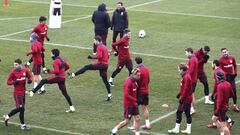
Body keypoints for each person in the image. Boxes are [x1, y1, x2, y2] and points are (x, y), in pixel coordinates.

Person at [69, 36, 112, 101]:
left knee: (87, 67)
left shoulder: (99, 47)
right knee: (105, 80)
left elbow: (100, 56)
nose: (94, 42)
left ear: (97, 41)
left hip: (101, 64)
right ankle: (109, 95)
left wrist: (91, 57)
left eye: (94, 41)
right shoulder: (104, 46)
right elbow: (108, 56)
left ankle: (73, 74)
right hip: (105, 65)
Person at [3, 59, 32, 130]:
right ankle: (7, 115)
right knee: (20, 108)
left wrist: (30, 80)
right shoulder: (13, 73)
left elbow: (29, 77)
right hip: (17, 93)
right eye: (14, 65)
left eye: (16, 65)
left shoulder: (25, 70)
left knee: (22, 109)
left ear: (20, 64)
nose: (14, 66)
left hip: (23, 92)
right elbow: (8, 82)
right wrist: (13, 82)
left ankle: (23, 125)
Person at [110, 68, 141, 135]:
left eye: (139, 75)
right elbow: (126, 95)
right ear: (133, 75)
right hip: (128, 104)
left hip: (134, 104)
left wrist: (138, 99)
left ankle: (137, 134)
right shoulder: (128, 82)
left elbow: (136, 92)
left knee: (138, 118)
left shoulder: (135, 81)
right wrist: (136, 100)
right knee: (127, 121)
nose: (139, 77)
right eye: (138, 75)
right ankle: (114, 130)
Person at [207, 60, 234, 129]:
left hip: (219, 93)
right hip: (223, 91)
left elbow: (216, 84)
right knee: (218, 110)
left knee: (218, 110)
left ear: (214, 64)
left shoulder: (216, 72)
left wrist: (213, 94)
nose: (211, 65)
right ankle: (216, 124)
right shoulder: (221, 71)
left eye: (212, 64)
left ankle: (228, 121)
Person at [168, 64, 192, 134]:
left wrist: (182, 98)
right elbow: (184, 88)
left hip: (186, 99)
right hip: (187, 98)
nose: (178, 71)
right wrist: (179, 94)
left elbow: (186, 89)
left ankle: (177, 129)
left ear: (182, 70)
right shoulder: (185, 76)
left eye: (179, 69)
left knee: (179, 112)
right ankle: (188, 129)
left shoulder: (186, 77)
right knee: (187, 113)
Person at [218, 48, 239, 112]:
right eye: (223, 52)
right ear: (222, 53)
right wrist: (226, 75)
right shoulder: (220, 60)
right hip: (225, 78)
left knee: (234, 91)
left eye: (225, 52)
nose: (225, 53)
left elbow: (235, 66)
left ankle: (235, 105)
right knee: (225, 92)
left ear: (228, 51)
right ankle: (225, 105)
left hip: (231, 78)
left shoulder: (232, 58)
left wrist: (235, 73)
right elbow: (221, 70)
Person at [185, 48, 198, 115]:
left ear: (190, 52)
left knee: (190, 95)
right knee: (191, 94)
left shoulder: (192, 60)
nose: (185, 54)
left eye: (186, 52)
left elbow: (191, 71)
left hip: (191, 80)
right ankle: (191, 108)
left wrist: (186, 78)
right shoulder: (194, 58)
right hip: (193, 79)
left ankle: (192, 109)